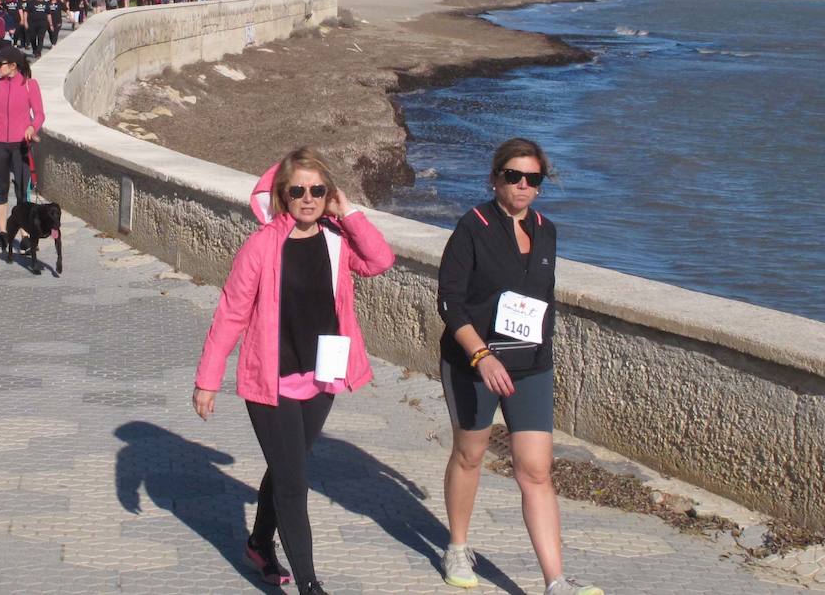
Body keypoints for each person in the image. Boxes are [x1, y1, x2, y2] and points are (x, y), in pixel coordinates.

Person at [193, 148, 395, 595]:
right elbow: (231, 313)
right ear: (283, 195)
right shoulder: (262, 245)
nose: (308, 198)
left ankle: (258, 544)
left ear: (329, 194)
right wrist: (208, 380)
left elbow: (380, 261)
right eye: (298, 190)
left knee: (288, 468)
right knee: (293, 482)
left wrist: (350, 212)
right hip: (272, 381)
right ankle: (309, 583)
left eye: (317, 190)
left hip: (322, 376)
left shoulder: (337, 240)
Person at [436, 138, 602, 595]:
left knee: (536, 470)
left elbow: (544, 299)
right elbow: (449, 302)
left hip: (530, 365)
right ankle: (457, 547)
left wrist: (543, 353)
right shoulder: (472, 227)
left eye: (533, 178)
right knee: (470, 454)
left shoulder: (546, 230)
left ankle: (556, 581)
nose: (523, 185)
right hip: (474, 362)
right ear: (495, 179)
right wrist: (481, 355)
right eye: (514, 176)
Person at [0, 45, 44, 238]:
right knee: (1, 188)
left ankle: (26, 234)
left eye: (0, 64)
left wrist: (32, 127)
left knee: (22, 190)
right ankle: (3, 232)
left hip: (21, 145)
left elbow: (39, 114)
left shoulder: (30, 85)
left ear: (13, 65)